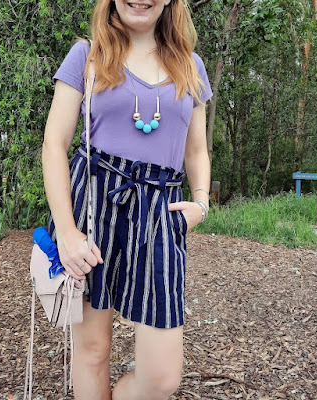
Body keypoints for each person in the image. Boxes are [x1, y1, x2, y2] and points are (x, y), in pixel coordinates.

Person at [42, 0, 213, 398]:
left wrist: (201, 203)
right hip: (94, 204)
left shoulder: (191, 65)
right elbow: (54, 144)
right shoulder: (87, 55)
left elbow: (196, 150)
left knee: (162, 377)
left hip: (160, 212)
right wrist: (67, 232)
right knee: (93, 351)